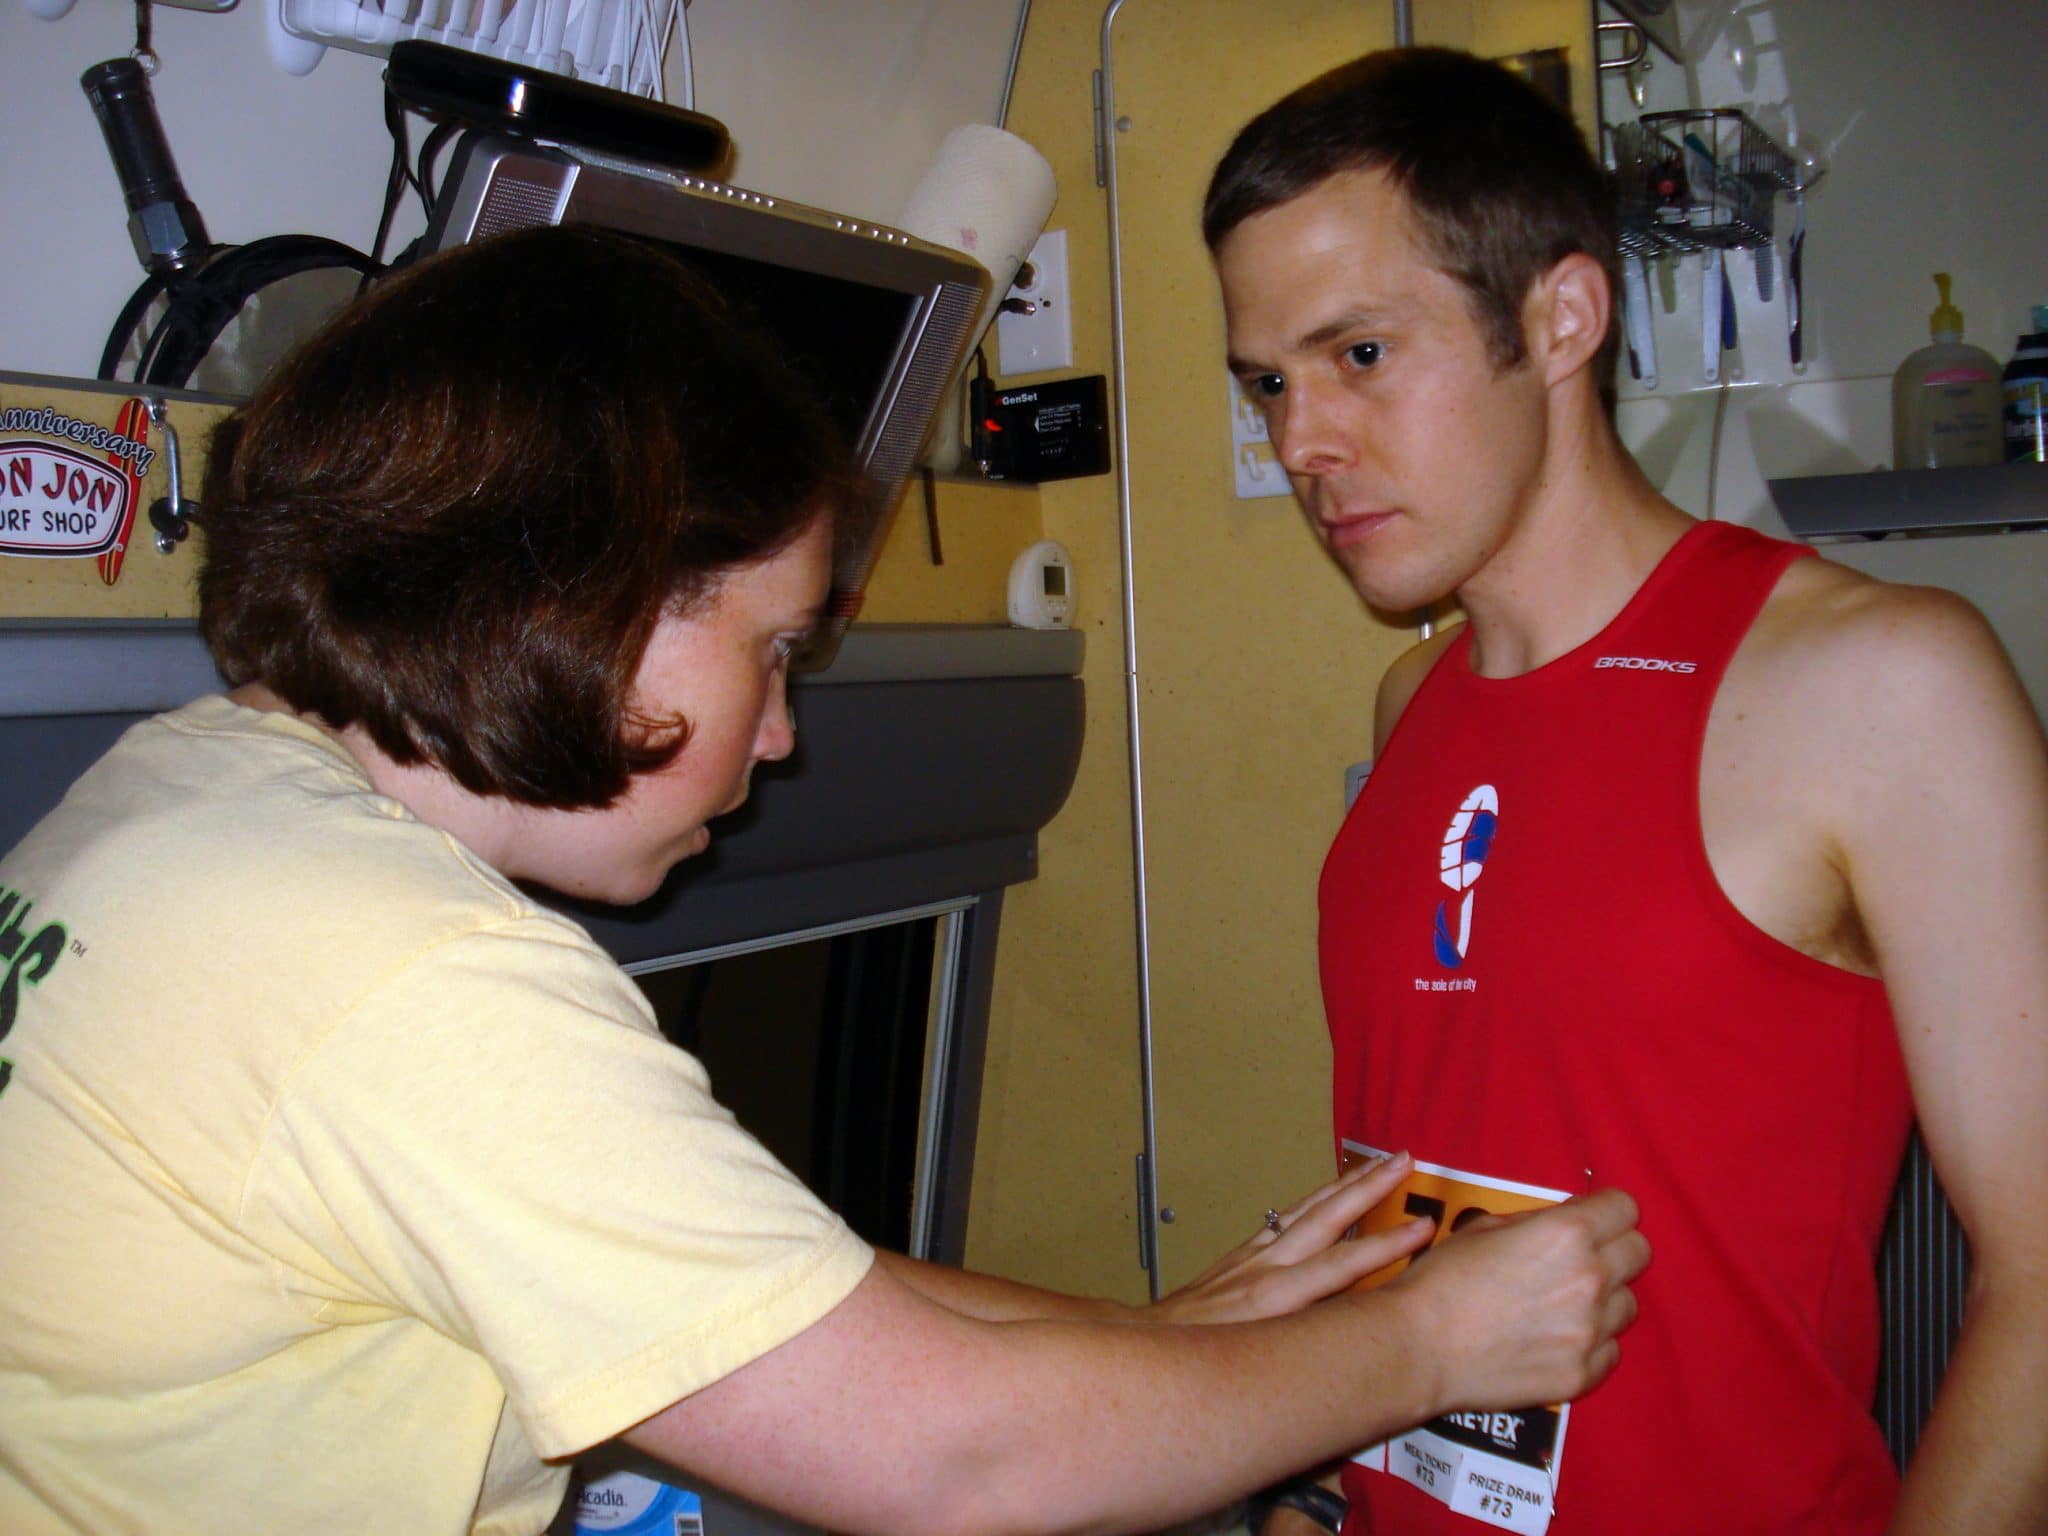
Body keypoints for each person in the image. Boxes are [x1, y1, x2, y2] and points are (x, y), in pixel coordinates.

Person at [0, 225, 1648, 1536]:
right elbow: (955, 1468)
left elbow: (760, 1292)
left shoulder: (189, 795)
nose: (780, 735)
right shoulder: (396, 976)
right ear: (594, 598)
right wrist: (1439, 1343)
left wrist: (1187, 1341)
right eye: (774, 651)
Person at [1204, 45, 2048, 1536]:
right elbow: (1430, 1180)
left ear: (1563, 315)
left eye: (1361, 356)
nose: (1300, 443)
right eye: (1269, 380)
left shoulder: (1880, 682)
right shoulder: (1410, 707)